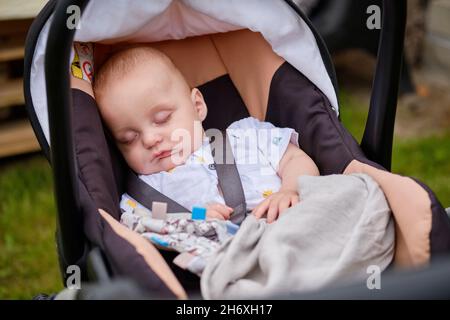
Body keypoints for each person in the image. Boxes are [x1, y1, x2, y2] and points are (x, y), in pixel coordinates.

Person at [94, 46, 320, 223]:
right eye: (129, 139)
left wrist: (290, 190)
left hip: (292, 219)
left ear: (197, 105)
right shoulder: (148, 191)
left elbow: (294, 158)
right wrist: (195, 218)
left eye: (162, 119)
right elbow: (140, 226)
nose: (150, 139)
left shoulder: (245, 135)